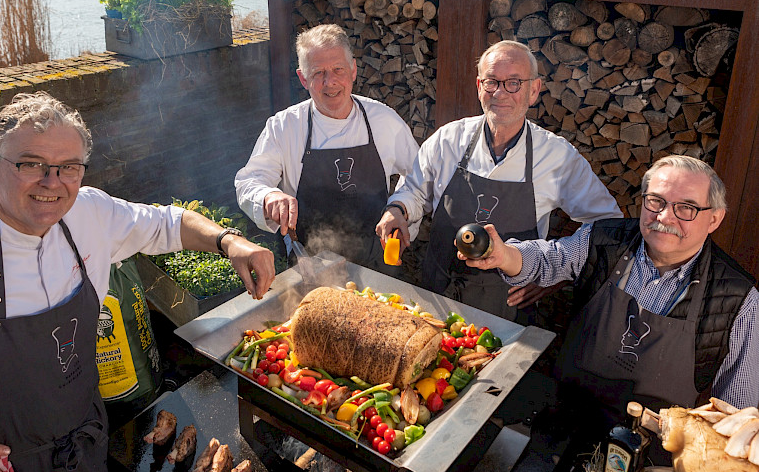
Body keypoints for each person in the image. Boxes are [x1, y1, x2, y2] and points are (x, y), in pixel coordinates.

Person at [0, 92, 275, 472]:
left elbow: (167, 223)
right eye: (30, 164)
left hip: (84, 450)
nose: (52, 183)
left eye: (68, 167)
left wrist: (229, 241)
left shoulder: (89, 213)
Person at [461, 155, 758, 411]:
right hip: (564, 417)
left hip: (650, 455)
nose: (665, 216)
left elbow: (736, 410)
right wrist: (504, 255)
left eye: (686, 208)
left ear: (715, 219)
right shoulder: (603, 239)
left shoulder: (740, 299)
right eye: (655, 201)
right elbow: (549, 259)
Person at [376, 40, 621, 322]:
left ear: (534, 90)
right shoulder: (449, 139)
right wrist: (398, 211)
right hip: (437, 295)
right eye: (492, 82)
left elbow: (607, 226)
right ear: (480, 87)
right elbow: (414, 190)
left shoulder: (557, 157)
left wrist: (553, 276)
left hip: (508, 309)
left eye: (514, 83)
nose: (501, 93)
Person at [235, 24, 419, 269]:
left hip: (378, 262)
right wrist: (269, 195)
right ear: (303, 78)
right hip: (310, 266)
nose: (329, 82)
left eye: (338, 69)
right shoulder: (285, 126)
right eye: (318, 72)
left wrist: (399, 206)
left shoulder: (383, 120)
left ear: (353, 70)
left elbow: (420, 177)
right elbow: (249, 182)